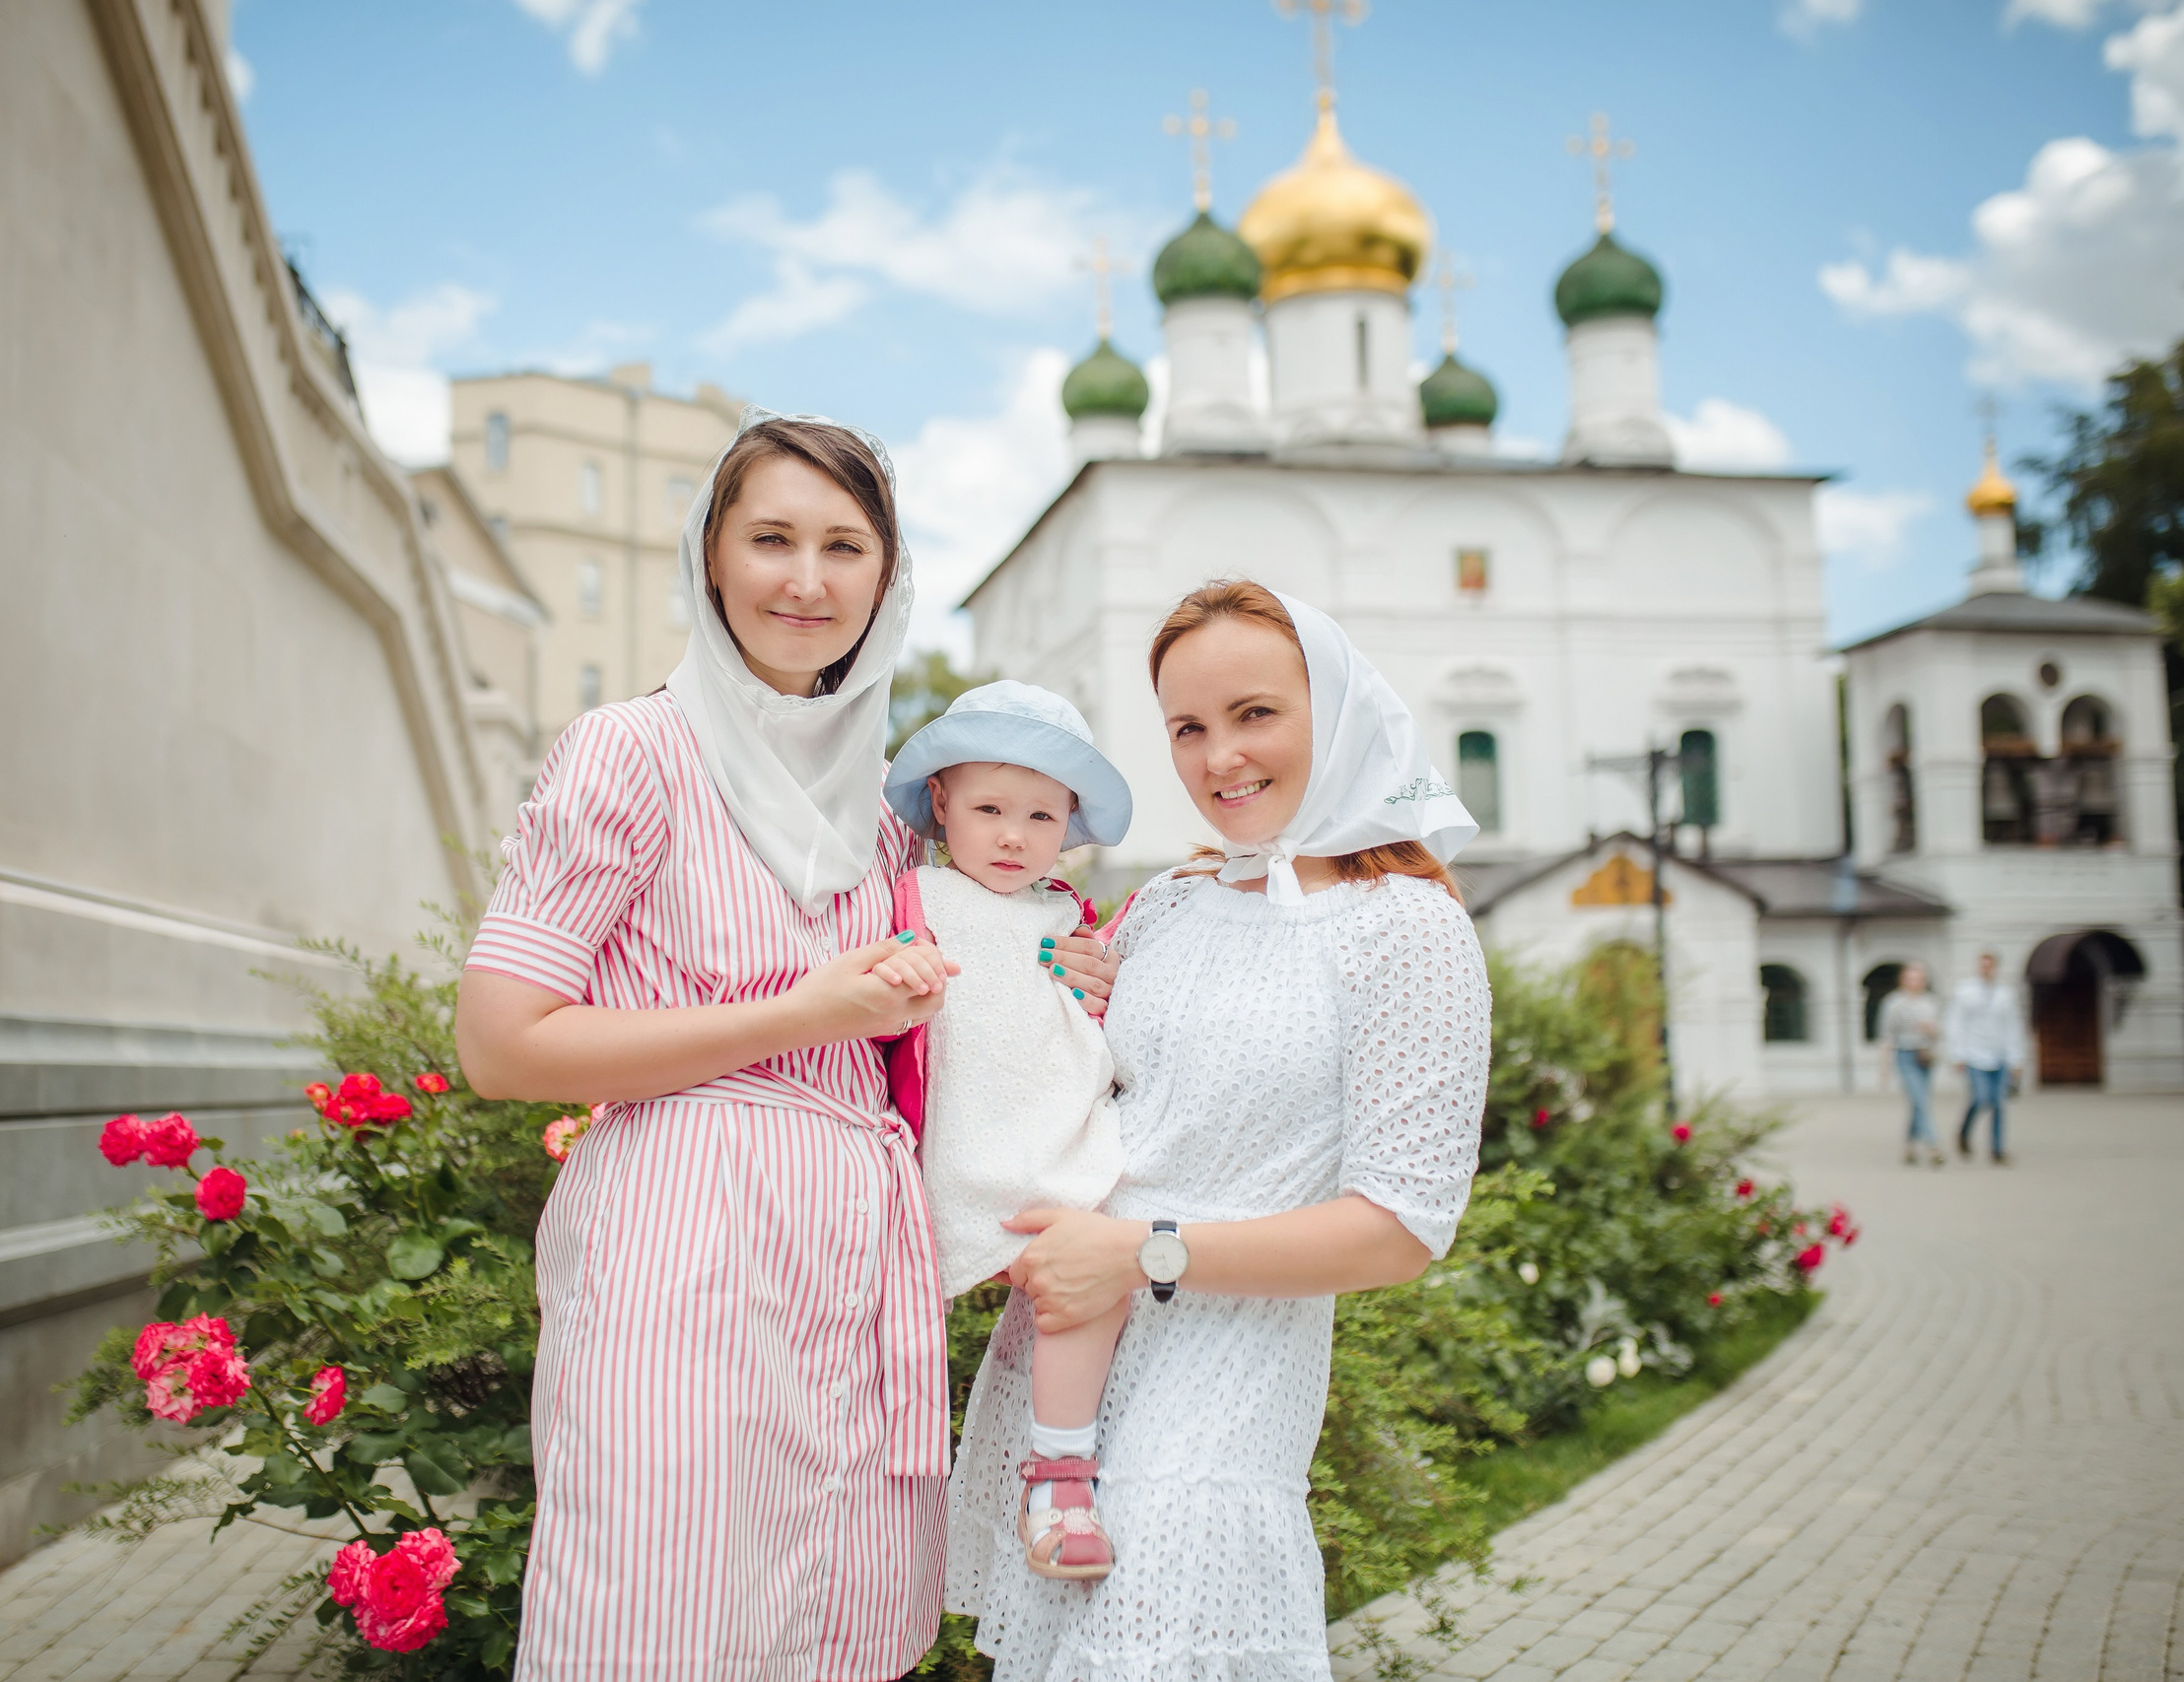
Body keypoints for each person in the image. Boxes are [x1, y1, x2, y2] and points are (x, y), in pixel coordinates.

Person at [452, 410, 1118, 1681]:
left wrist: (1063, 971)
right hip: (682, 1235)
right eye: (770, 539)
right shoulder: (630, 753)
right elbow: (501, 1044)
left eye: (844, 547)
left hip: (855, 1257)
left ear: (886, 577)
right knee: (659, 1611)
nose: (806, 582)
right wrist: (800, 1016)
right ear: (711, 559)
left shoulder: (877, 817)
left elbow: (932, 1014)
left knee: (831, 1629)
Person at [943, 580, 1490, 1681]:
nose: (1217, 757)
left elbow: (1400, 1228)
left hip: (1226, 1382)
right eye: (1187, 728)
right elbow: (1100, 1100)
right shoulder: (1171, 903)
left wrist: (1143, 1254)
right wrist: (1065, 996)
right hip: (1066, 1369)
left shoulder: (1409, 930)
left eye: (1253, 715)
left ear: (1331, 712)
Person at [880, 681, 1136, 1581]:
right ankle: (876, 1498)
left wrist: (1104, 987)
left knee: (1085, 1287)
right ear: (941, 802)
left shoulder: (1065, 918)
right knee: (885, 1334)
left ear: (1068, 824)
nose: (1013, 835)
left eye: (1040, 814)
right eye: (988, 807)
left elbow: (1101, 1030)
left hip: (1051, 1142)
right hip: (949, 1144)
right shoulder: (911, 895)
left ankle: (1060, 1475)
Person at [1945, 949, 2023, 1165]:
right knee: (1980, 1098)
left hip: (1999, 1056)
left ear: (1996, 968)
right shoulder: (1965, 992)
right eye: (1983, 965)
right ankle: (1964, 1132)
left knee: (1999, 1103)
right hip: (1974, 1056)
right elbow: (1955, 1024)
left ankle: (1997, 1150)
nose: (1986, 969)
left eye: (1990, 966)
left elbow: (2012, 1027)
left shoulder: (2005, 994)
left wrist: (2016, 1058)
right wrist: (1957, 1054)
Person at [1881, 963, 1944, 1166]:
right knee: (1921, 1100)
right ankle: (1933, 1145)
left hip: (1926, 1055)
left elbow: (1941, 1030)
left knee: (1919, 1102)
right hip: (1905, 1054)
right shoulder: (1894, 1003)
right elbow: (1887, 1035)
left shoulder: (1931, 1002)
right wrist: (1884, 1067)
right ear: (1903, 980)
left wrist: (1932, 1031)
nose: (1914, 983)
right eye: (1910, 978)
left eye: (1918, 979)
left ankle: (1909, 1145)